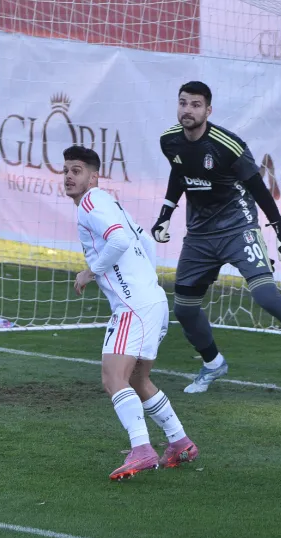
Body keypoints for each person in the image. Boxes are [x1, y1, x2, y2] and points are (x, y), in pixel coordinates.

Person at [151, 81, 281, 393]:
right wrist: (165, 213)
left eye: (195, 105)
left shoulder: (228, 145)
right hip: (199, 235)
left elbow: (259, 190)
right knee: (184, 309)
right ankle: (213, 364)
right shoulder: (169, 140)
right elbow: (180, 172)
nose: (187, 110)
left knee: (266, 296)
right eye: (183, 103)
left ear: (208, 110)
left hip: (238, 228)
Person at [64, 145, 198, 480]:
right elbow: (146, 243)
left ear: (93, 177)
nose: (68, 177)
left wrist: (90, 271)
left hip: (134, 306)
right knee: (138, 379)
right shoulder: (111, 203)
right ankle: (180, 442)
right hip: (152, 301)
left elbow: (120, 241)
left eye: (76, 171)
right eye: (66, 170)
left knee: (113, 378)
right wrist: (144, 280)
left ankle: (141, 449)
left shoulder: (90, 203)